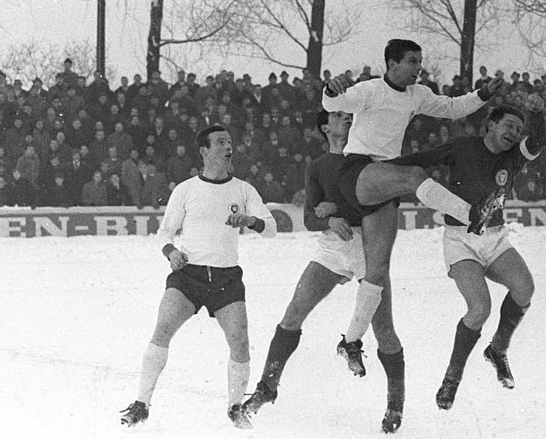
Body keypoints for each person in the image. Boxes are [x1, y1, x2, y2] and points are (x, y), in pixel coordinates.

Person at [322, 39, 503, 376]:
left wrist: (482, 95)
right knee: (415, 175)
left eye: (420, 61)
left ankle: (351, 340)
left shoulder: (418, 94)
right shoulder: (372, 89)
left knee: (377, 271)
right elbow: (338, 101)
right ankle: (470, 213)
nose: (418, 67)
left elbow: (450, 107)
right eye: (412, 61)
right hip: (358, 172)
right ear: (391, 64)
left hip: (386, 179)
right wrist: (330, 90)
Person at [242, 110, 406, 433]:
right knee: (293, 313)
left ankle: (394, 405)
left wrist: (338, 209)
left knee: (384, 329)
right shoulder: (317, 167)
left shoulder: (367, 160)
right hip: (331, 247)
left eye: (350, 116)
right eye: (341, 116)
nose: (347, 120)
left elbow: (382, 204)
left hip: (368, 245)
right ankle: (265, 389)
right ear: (325, 127)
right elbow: (309, 217)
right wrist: (329, 219)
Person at [119, 125, 277, 429]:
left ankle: (235, 407)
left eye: (229, 142)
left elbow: (271, 228)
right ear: (204, 151)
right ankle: (141, 403)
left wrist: (250, 220)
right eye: (220, 142)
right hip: (188, 277)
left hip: (226, 279)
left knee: (240, 343)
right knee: (162, 329)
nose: (228, 147)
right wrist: (170, 251)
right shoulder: (186, 189)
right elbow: (165, 232)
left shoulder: (244, 190)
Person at [396, 94, 546, 410]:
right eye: (508, 124)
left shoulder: (513, 157)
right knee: (480, 309)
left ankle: (497, 350)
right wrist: (382, 168)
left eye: (518, 129)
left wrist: (536, 114)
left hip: (494, 239)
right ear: (491, 124)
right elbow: (426, 158)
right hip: (460, 241)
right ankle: (452, 378)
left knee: (525, 288)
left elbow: (539, 141)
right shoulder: (464, 146)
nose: (513, 132)